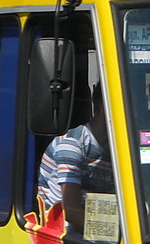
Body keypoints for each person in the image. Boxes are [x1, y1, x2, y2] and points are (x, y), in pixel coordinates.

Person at [36, 84, 114, 235]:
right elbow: (70, 210)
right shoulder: (72, 144)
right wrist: (112, 233)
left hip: (95, 232)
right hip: (64, 235)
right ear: (101, 104)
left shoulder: (115, 150)